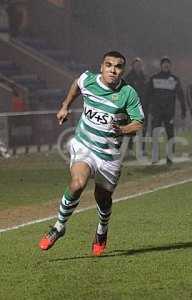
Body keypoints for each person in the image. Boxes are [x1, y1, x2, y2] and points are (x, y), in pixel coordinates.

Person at [38, 51, 144, 256]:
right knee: (78, 183)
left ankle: (102, 229)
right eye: (109, 65)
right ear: (101, 66)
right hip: (84, 145)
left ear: (123, 70)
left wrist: (121, 130)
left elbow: (138, 123)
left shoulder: (128, 93)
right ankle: (59, 227)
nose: (113, 69)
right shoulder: (88, 79)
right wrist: (65, 106)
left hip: (109, 154)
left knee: (102, 198)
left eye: (118, 66)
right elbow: (76, 85)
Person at [146, 56, 186, 164]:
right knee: (155, 135)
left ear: (170, 66)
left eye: (168, 64)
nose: (166, 66)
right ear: (161, 66)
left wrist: (183, 109)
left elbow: (181, 95)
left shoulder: (175, 79)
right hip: (157, 112)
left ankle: (170, 157)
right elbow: (147, 94)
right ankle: (155, 157)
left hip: (169, 112)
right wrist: (146, 108)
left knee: (170, 135)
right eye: (164, 64)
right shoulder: (154, 78)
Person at [124, 57, 149, 156]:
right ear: (132, 66)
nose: (138, 67)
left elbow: (148, 92)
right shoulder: (128, 78)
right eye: (136, 65)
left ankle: (142, 149)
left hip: (143, 106)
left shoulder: (145, 77)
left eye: (140, 65)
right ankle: (129, 149)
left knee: (143, 129)